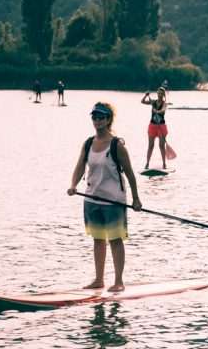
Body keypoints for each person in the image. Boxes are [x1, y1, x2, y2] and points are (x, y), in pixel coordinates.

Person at [67, 102, 142, 293]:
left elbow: (130, 174)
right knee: (98, 240)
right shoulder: (88, 143)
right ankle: (99, 280)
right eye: (94, 117)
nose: (97, 120)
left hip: (114, 201)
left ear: (108, 119)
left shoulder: (117, 145)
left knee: (115, 240)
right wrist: (73, 185)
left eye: (101, 117)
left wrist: (135, 199)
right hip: (92, 199)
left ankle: (118, 281)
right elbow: (80, 167)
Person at [141, 86, 169, 169]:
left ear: (163, 95)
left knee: (161, 146)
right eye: (158, 93)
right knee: (150, 146)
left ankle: (164, 164)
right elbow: (142, 101)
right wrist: (146, 95)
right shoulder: (153, 102)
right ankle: (147, 164)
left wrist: (157, 111)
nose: (159, 95)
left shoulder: (164, 103)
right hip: (152, 126)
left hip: (161, 127)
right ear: (157, 93)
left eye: (161, 94)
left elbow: (163, 110)